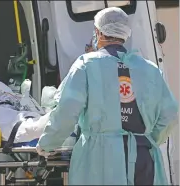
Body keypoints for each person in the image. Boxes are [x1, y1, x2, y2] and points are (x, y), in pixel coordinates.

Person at [36, 7, 178, 185]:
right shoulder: (150, 69)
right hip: (144, 159)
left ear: (98, 32)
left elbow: (67, 111)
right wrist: (146, 138)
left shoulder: (86, 65)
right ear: (125, 33)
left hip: (101, 158)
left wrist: (47, 144)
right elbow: (171, 112)